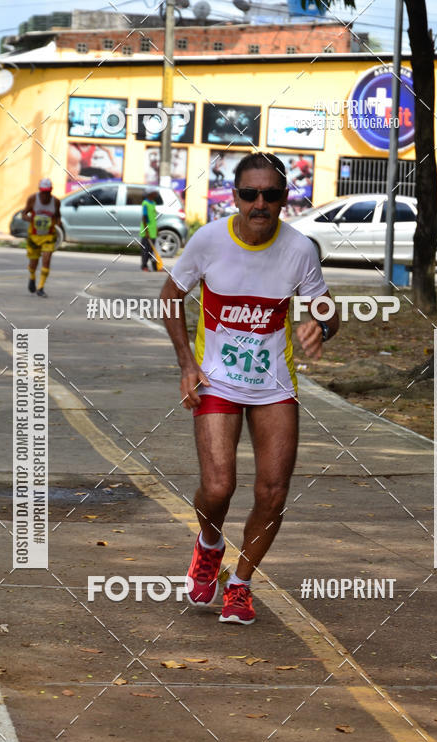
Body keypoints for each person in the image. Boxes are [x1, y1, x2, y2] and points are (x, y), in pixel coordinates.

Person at [161, 152, 338, 625]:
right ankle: (209, 544)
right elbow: (170, 296)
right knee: (218, 487)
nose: (260, 203)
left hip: (273, 386)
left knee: (273, 493)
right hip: (217, 380)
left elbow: (326, 307)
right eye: (250, 194)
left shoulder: (299, 249)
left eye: (271, 194)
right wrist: (186, 364)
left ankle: (240, 585)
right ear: (234, 195)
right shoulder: (209, 241)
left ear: (284, 198)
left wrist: (321, 324)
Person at [22, 178, 62, 298]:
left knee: (46, 259)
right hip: (34, 235)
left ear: (51, 191)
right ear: (40, 191)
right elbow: (24, 214)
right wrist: (30, 219)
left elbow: (58, 216)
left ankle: (41, 288)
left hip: (49, 235)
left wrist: (57, 222)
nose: (45, 195)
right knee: (33, 263)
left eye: (47, 192)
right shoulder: (33, 199)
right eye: (43, 192)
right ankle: (32, 277)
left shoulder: (56, 202)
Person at [140, 190, 160, 272]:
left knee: (152, 251)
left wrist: (156, 228)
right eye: (155, 193)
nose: (156, 194)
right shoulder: (145, 203)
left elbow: (154, 217)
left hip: (153, 230)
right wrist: (146, 231)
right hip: (147, 231)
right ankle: (144, 266)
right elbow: (144, 217)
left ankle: (155, 267)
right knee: (146, 250)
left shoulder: (153, 203)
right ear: (150, 194)